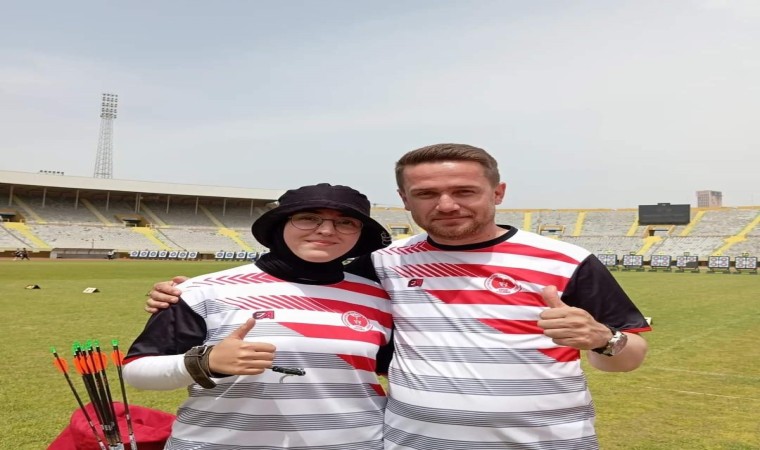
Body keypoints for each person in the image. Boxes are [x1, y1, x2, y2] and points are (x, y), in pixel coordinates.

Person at [146, 143, 650, 449]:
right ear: (406, 201)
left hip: (546, 442)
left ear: (497, 193)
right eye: (427, 194)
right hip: (413, 440)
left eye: (464, 192)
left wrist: (602, 340)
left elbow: (630, 356)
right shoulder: (385, 263)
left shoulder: (565, 260)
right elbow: (302, 278)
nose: (446, 205)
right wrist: (182, 295)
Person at [125, 183, 393, 449]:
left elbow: (400, 373)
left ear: (360, 233)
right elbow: (136, 371)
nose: (326, 230)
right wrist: (205, 362)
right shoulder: (203, 290)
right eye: (308, 218)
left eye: (346, 222)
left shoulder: (379, 297)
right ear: (280, 224)